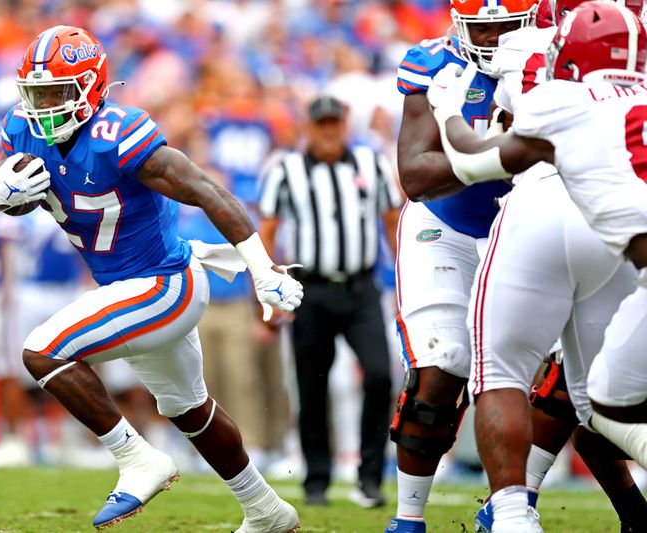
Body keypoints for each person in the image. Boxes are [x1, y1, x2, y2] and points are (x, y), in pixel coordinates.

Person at [0, 26, 302, 532]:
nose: (44, 107)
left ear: (91, 87)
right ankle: (267, 511)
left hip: (167, 283)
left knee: (42, 350)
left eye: (57, 92)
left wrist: (260, 267)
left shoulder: (117, 134)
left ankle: (137, 458)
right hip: (130, 289)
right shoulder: (24, 131)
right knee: (190, 410)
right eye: (37, 95)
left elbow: (205, 190)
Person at [426, 2, 647, 528]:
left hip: (546, 206)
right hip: (626, 258)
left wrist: (446, 108)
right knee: (603, 404)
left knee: (500, 373)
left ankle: (510, 515)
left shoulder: (560, 91)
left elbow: (471, 162)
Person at [386, 0, 537, 530]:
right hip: (444, 228)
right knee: (440, 366)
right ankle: (407, 518)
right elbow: (417, 176)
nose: (494, 36)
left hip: (525, 227)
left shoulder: (558, 62)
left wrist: (474, 152)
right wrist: (505, 151)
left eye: (506, 24)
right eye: (483, 25)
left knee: (556, 382)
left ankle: (517, 505)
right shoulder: (434, 63)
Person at [258, 95, 398, 508]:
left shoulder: (372, 165)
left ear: (346, 123)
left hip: (361, 287)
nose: (329, 130)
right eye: (322, 124)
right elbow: (266, 232)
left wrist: (408, 282)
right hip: (310, 290)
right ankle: (316, 480)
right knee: (312, 385)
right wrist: (268, 293)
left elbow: (392, 222)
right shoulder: (286, 169)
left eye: (335, 122)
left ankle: (369, 477)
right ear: (308, 126)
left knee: (378, 376)